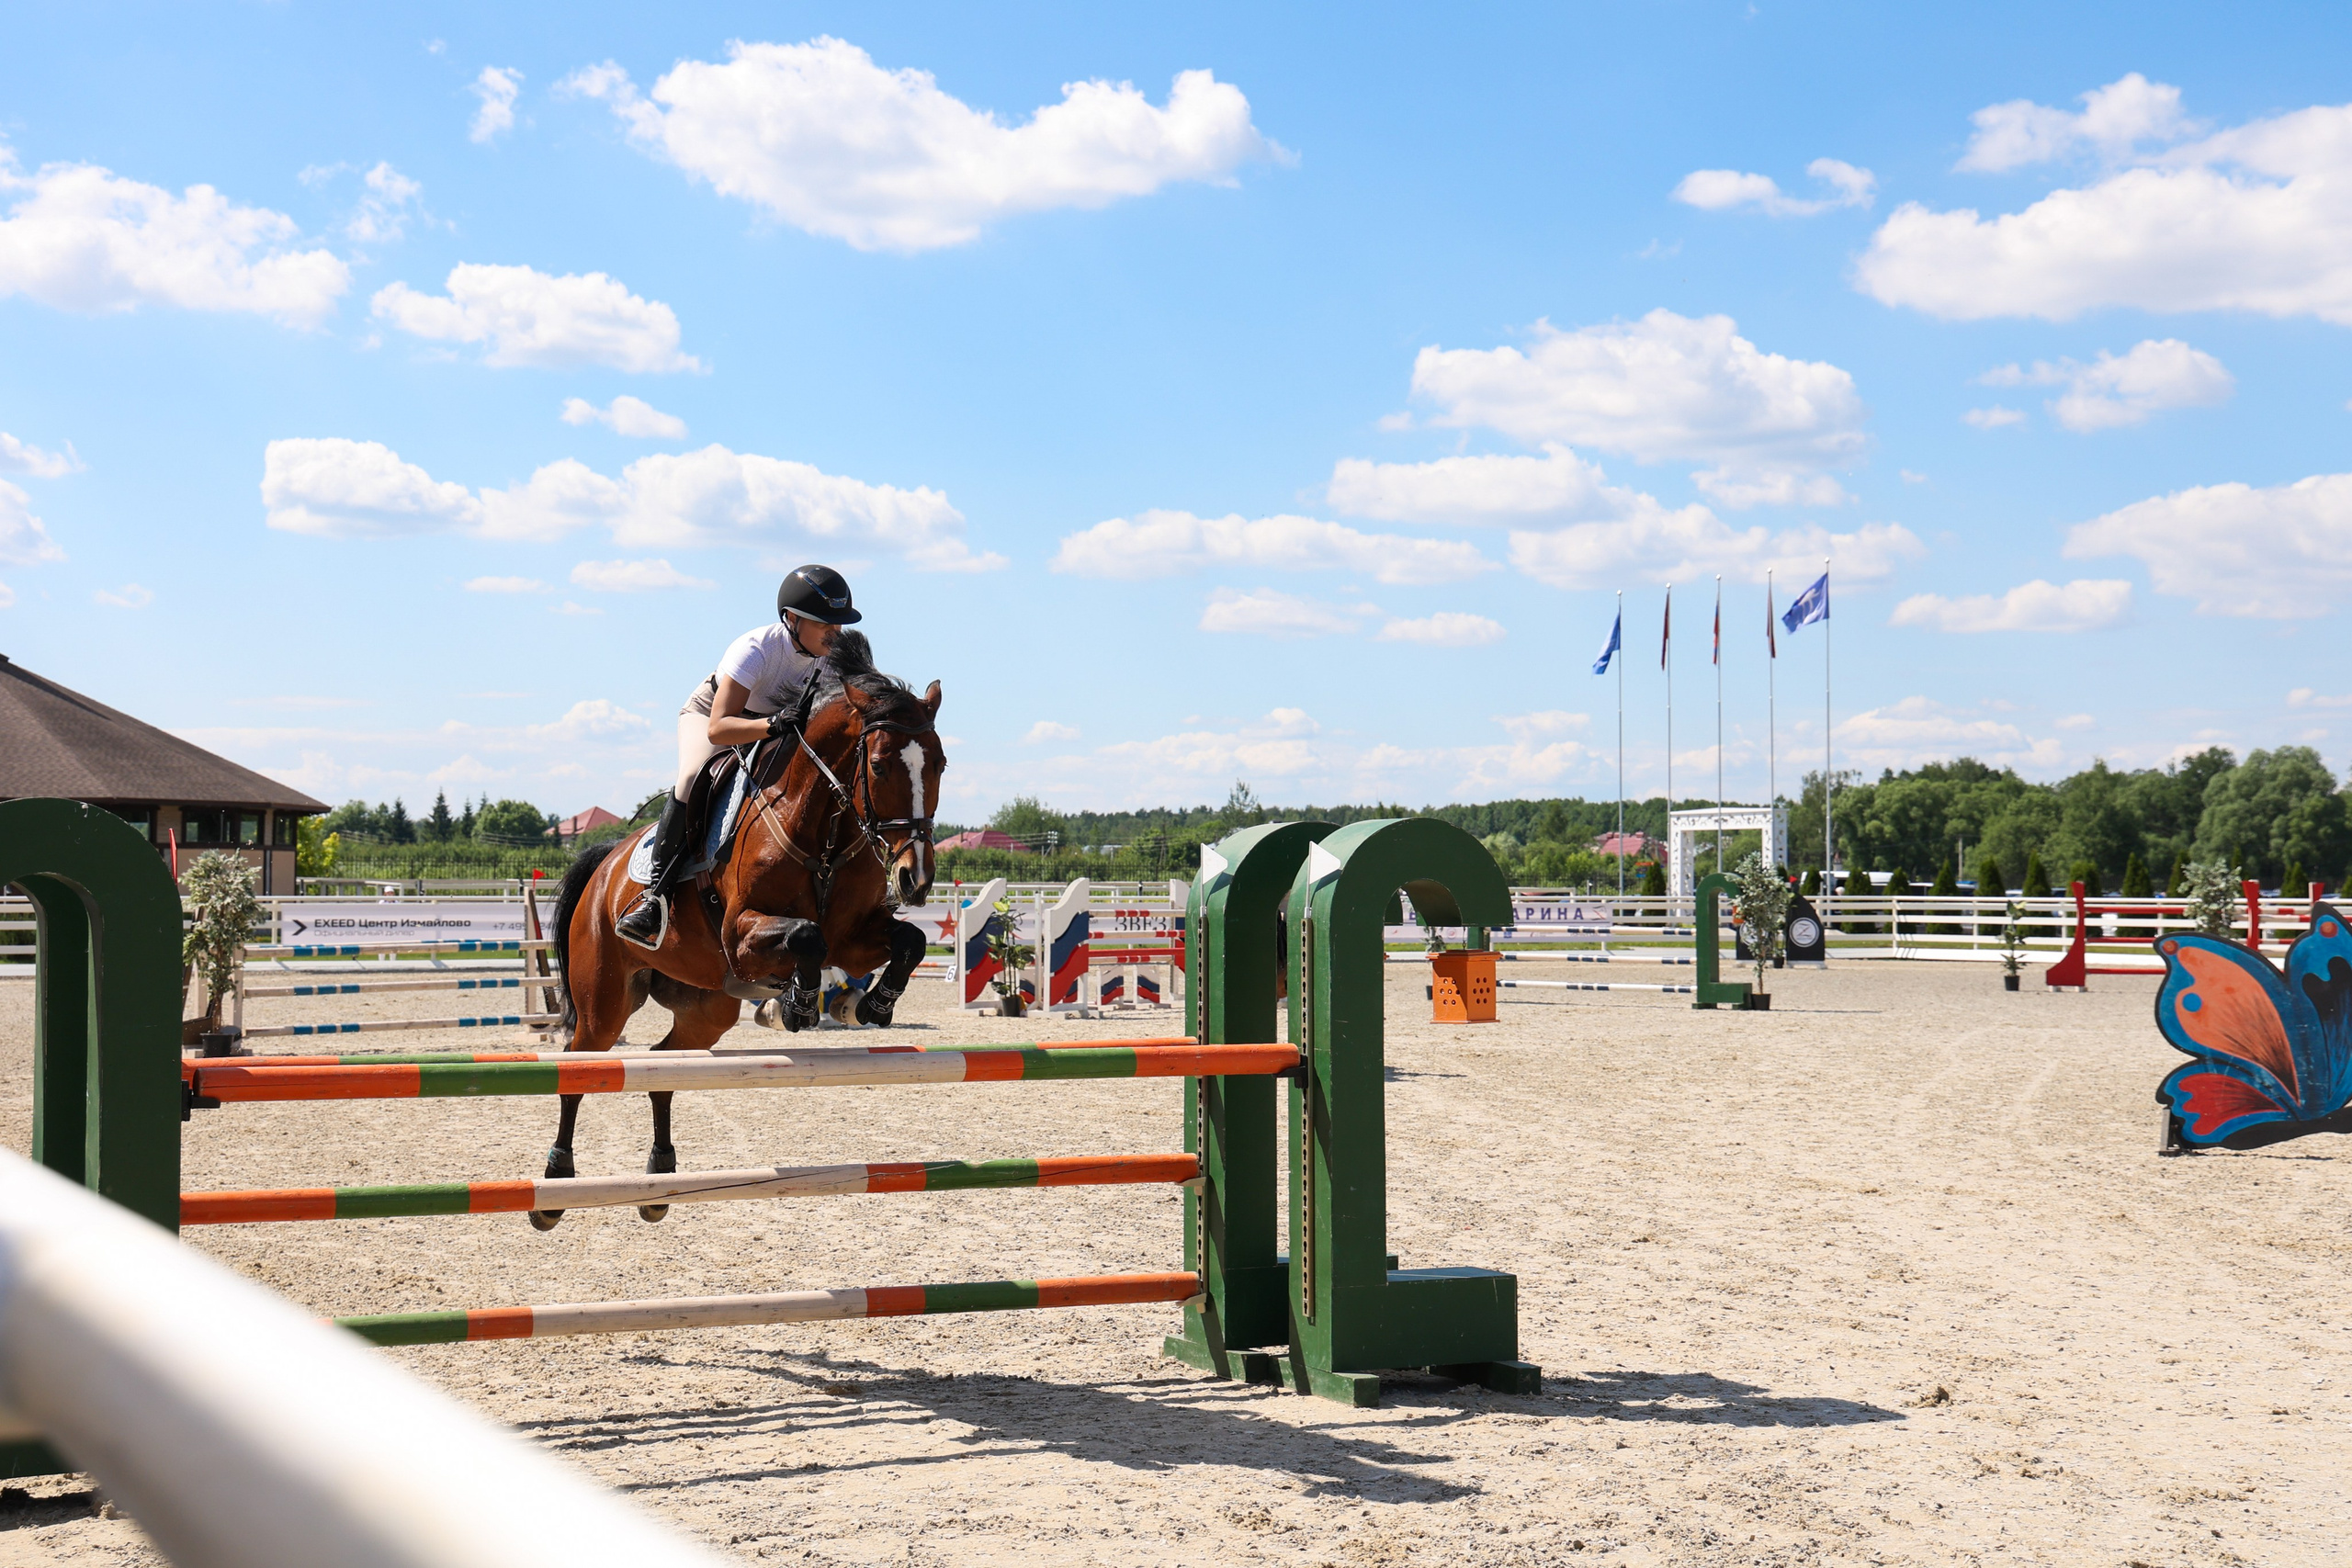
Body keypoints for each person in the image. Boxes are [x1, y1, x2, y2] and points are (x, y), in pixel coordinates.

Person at [615, 564, 862, 949]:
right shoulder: (757, 649)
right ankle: (654, 899)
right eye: (824, 624)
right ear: (792, 619)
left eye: (839, 625)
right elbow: (719, 728)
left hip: (778, 729)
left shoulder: (831, 657)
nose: (835, 633)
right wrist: (773, 724)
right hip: (716, 717)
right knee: (694, 774)